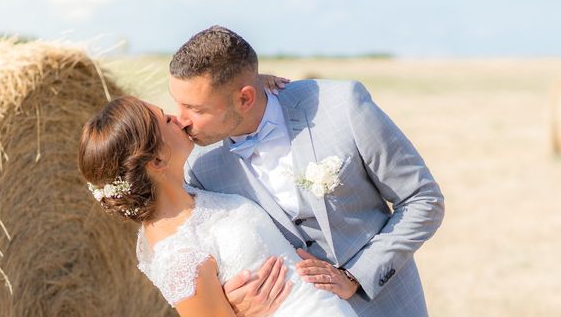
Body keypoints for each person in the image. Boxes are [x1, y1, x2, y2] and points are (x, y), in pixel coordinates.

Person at [169, 26, 445, 317]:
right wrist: (233, 304)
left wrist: (356, 276)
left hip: (385, 307)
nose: (181, 120)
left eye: (195, 109)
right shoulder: (198, 166)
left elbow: (423, 200)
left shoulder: (342, 106)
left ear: (245, 99)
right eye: (177, 103)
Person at [78, 95, 359, 317]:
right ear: (157, 161)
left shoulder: (194, 193)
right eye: (166, 120)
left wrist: (256, 83)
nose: (178, 118)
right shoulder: (178, 256)